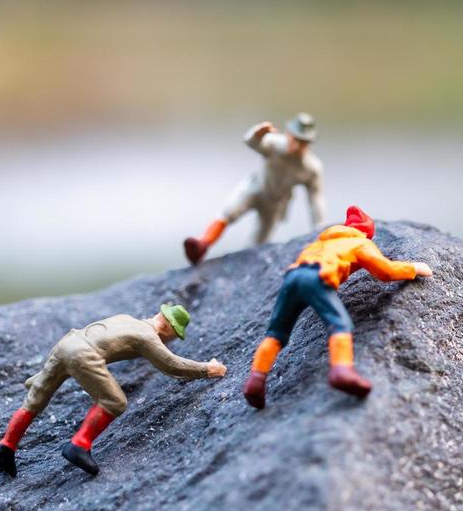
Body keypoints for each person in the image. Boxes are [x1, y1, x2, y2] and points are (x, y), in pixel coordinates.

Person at [0, 304, 226, 477]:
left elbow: (107, 336)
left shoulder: (128, 319)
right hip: (83, 354)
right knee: (115, 402)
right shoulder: (148, 336)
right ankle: (79, 445)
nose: (172, 340)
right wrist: (208, 369)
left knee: (34, 401)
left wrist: (46, 373)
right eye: (175, 336)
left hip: (66, 343)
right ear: (167, 327)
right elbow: (171, 365)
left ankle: (5, 447)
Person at [242, 205, 431, 407]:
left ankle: (255, 380)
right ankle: (342, 371)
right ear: (367, 234)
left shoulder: (320, 243)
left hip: (292, 277)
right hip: (317, 279)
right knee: (339, 324)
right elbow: (385, 272)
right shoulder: (360, 243)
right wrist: (413, 268)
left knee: (276, 334)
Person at [184, 113, 327, 265]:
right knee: (228, 212)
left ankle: (247, 267)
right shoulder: (275, 145)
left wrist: (319, 229)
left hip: (275, 203)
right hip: (255, 188)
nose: (297, 146)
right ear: (288, 134)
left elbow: (315, 199)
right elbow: (252, 143)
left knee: (259, 239)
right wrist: (258, 133)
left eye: (303, 143)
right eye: (295, 139)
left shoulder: (311, 168)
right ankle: (203, 244)